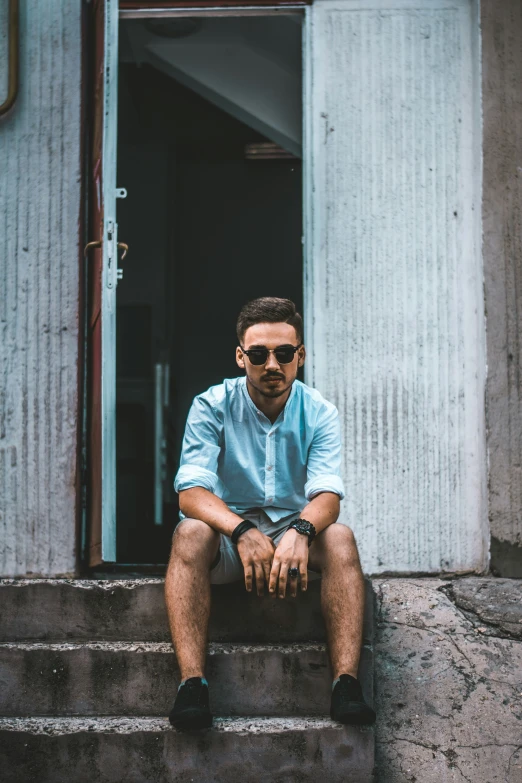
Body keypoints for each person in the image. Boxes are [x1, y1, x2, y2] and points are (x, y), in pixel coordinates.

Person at [165, 297, 376, 731]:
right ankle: (192, 685)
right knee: (189, 533)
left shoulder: (319, 411)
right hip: (230, 536)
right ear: (241, 357)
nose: (272, 365)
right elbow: (191, 492)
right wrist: (241, 530)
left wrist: (300, 529)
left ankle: (346, 685)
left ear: (300, 355)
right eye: (259, 355)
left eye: (284, 353)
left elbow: (328, 498)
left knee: (340, 537)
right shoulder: (212, 405)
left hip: (292, 542)